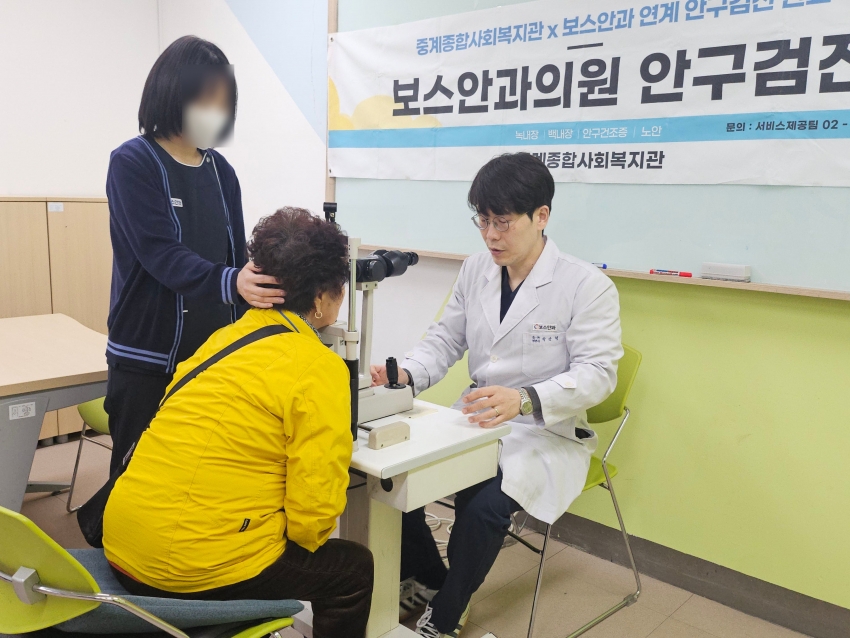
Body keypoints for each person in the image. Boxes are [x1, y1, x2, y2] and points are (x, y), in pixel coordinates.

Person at [371, 153, 623, 638]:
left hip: (543, 430)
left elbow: (598, 374)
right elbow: (445, 340)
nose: (490, 235)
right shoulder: (476, 270)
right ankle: (432, 578)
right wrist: (404, 374)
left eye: (503, 222)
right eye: (483, 221)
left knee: (483, 506)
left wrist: (524, 399)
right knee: (391, 475)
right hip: (476, 416)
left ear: (541, 216)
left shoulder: (586, 285)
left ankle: (446, 612)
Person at [103, 208, 373, 638]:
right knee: (354, 570)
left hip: (121, 541)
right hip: (186, 572)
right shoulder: (319, 366)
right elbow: (313, 511)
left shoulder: (222, 339)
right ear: (322, 297)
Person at [104, 35, 285, 474]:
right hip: (147, 357)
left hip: (211, 358)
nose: (215, 113)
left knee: (198, 478)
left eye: (223, 104)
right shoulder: (133, 162)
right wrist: (231, 281)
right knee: (137, 479)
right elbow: (160, 254)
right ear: (172, 93)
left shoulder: (221, 171)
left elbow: (237, 257)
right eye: (205, 101)